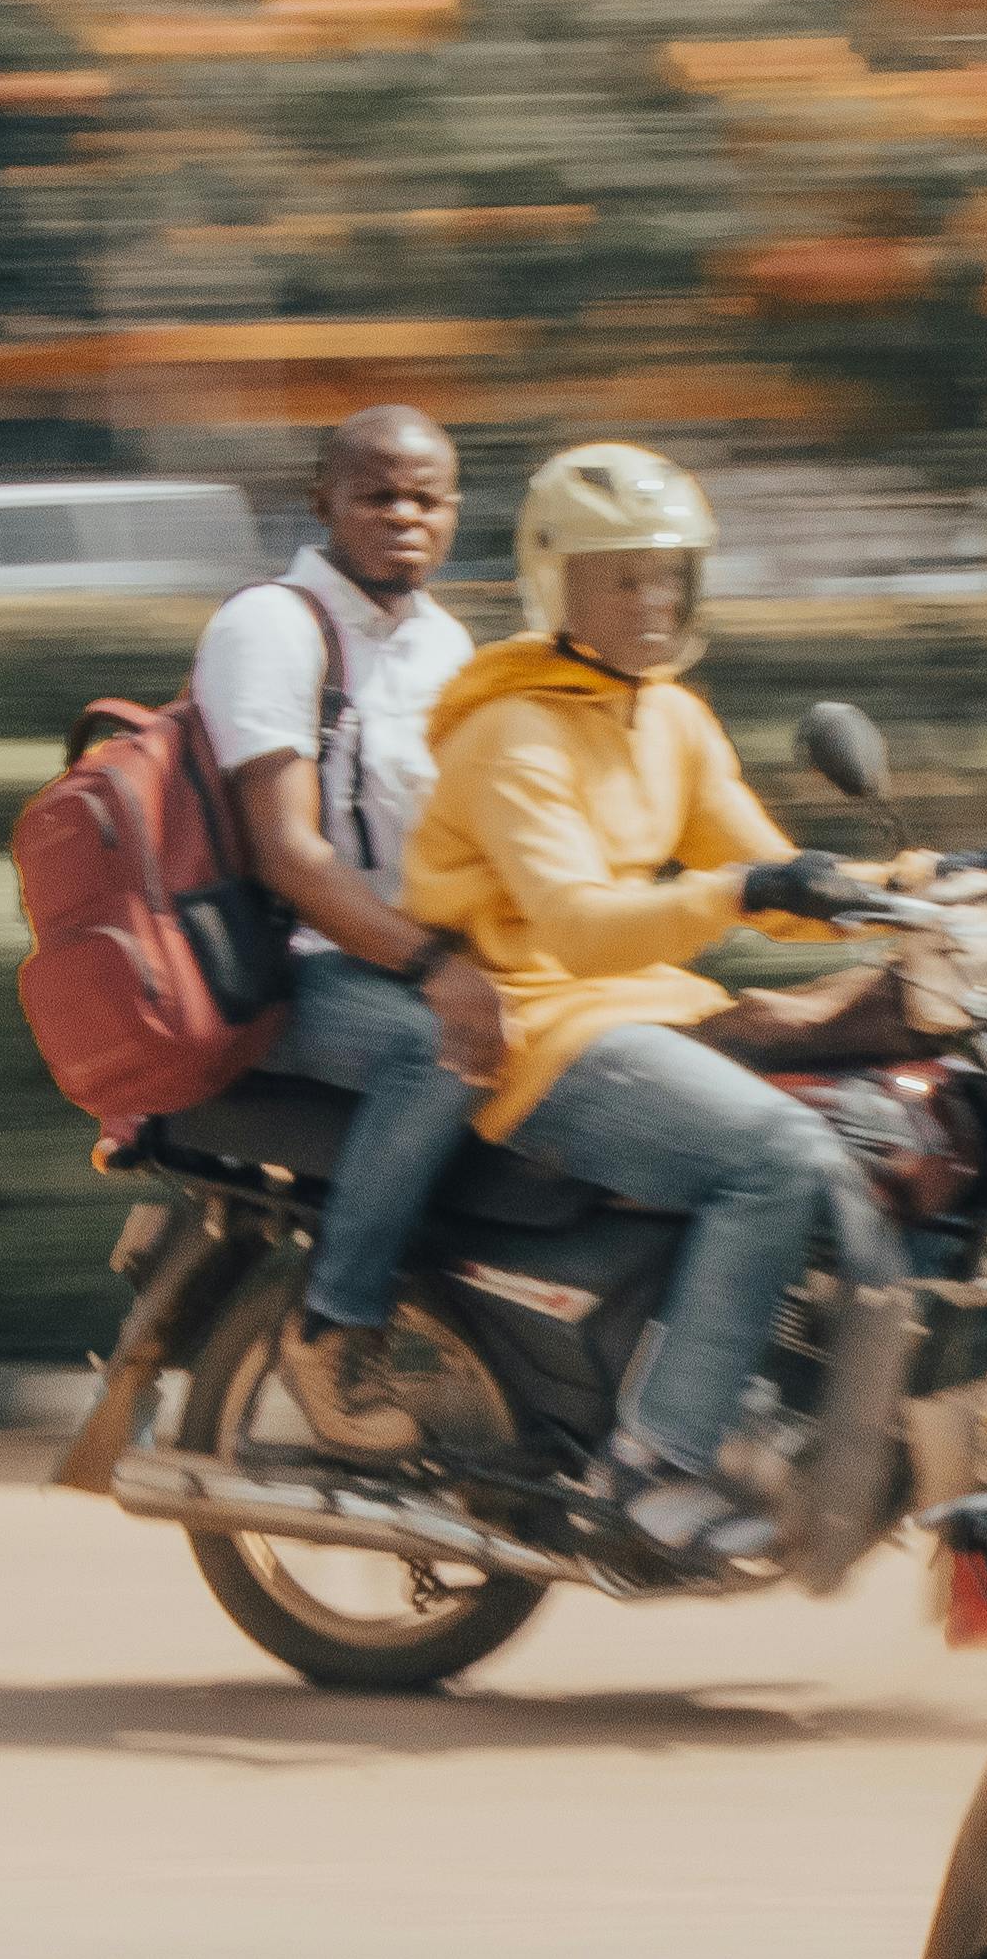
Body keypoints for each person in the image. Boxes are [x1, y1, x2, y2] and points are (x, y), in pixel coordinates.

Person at [401, 444, 889, 1576]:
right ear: (555, 586)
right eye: (621, 577)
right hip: (539, 1028)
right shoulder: (510, 730)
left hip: (651, 1009)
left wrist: (931, 883)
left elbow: (777, 877)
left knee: (870, 1113)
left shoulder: (669, 715)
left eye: (669, 573)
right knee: (772, 1151)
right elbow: (576, 923)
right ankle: (655, 1460)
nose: (654, 598)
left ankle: (769, 1400)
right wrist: (741, 893)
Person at [201, 404, 503, 1457]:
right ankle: (334, 1324)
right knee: (443, 1049)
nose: (405, 516)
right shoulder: (272, 626)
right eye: (378, 494)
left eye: (428, 497)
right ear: (322, 498)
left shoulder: (444, 640)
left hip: (400, 954)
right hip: (298, 972)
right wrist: (435, 968)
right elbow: (290, 854)